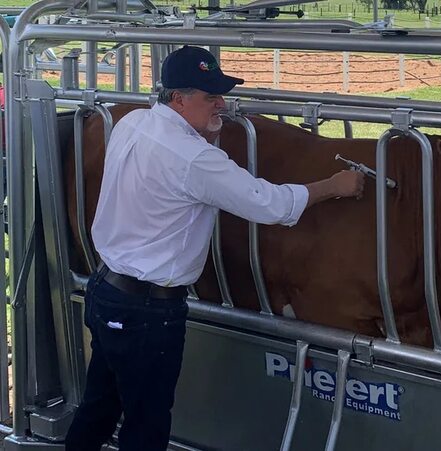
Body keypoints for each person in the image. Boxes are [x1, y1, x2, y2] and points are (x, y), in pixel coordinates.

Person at [64, 45, 365, 451]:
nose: (221, 104)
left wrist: (208, 129)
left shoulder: (133, 122)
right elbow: (268, 203)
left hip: (107, 293)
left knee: (99, 405)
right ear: (178, 99)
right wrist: (333, 186)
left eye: (220, 94)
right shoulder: (194, 159)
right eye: (210, 97)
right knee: (146, 426)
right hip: (149, 312)